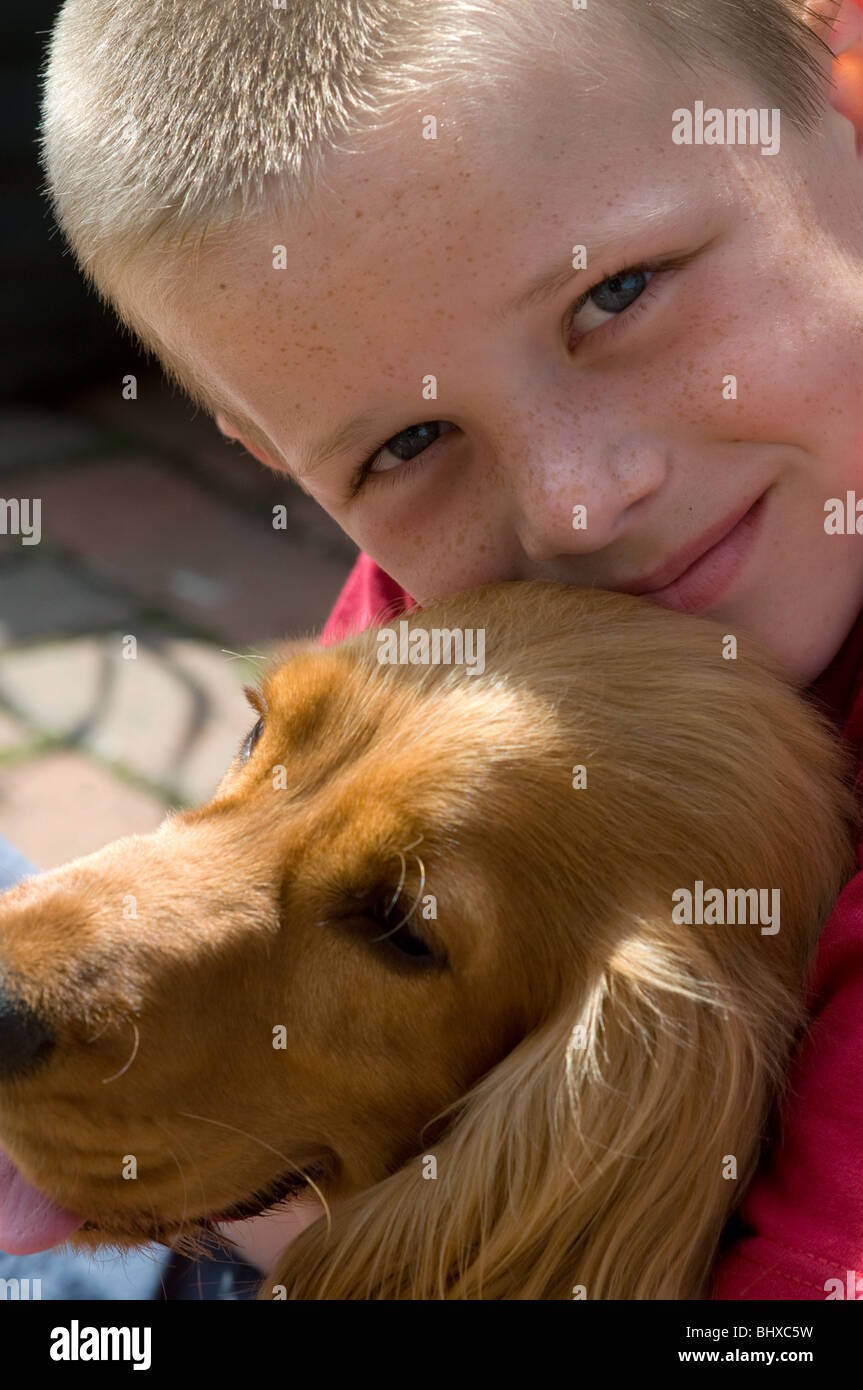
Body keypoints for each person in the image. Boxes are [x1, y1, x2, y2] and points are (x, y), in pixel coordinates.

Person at [3, 0, 862, 1298]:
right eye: (405, 445)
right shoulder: (464, 597)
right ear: (269, 451)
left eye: (616, 293)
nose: (578, 501)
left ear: (844, 80)